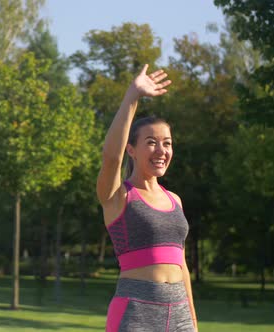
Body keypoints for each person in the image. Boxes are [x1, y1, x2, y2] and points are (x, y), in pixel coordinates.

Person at [96, 64, 197, 331]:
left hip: (179, 313)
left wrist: (193, 322)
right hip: (136, 310)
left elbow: (182, 265)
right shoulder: (118, 196)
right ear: (131, 149)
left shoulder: (175, 199)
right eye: (151, 142)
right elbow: (110, 158)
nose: (161, 150)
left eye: (167, 142)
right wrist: (132, 96)